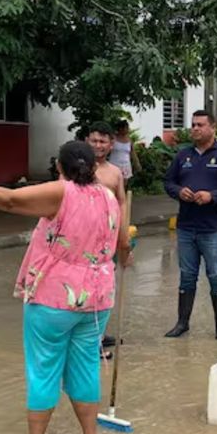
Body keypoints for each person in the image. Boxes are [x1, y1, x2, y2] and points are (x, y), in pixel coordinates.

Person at [0, 141, 125, 434]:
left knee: (44, 370)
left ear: (60, 168)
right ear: (94, 166)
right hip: (97, 299)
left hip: (55, 296)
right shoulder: (108, 196)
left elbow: (8, 200)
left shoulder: (61, 191)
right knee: (84, 368)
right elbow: (119, 242)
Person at [163, 111, 217, 341]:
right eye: (193, 125)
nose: (195, 129)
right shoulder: (183, 156)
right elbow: (168, 182)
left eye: (200, 125)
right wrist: (179, 191)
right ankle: (182, 323)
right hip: (186, 227)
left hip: (213, 228)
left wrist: (213, 196)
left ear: (213, 128)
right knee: (187, 276)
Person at [87, 122, 133, 357]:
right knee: (85, 287)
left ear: (111, 144)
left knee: (106, 287)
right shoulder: (78, 168)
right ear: (87, 141)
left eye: (103, 141)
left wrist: (124, 238)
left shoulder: (115, 172)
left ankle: (99, 334)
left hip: (108, 238)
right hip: (82, 240)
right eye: (94, 140)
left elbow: (122, 202)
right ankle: (89, 340)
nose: (98, 145)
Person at [108, 120, 138, 187]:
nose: (127, 129)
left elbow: (133, 153)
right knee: (113, 183)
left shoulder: (129, 140)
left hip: (125, 165)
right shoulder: (113, 138)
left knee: (123, 185)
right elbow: (107, 149)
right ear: (121, 128)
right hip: (114, 164)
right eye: (126, 128)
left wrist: (137, 163)